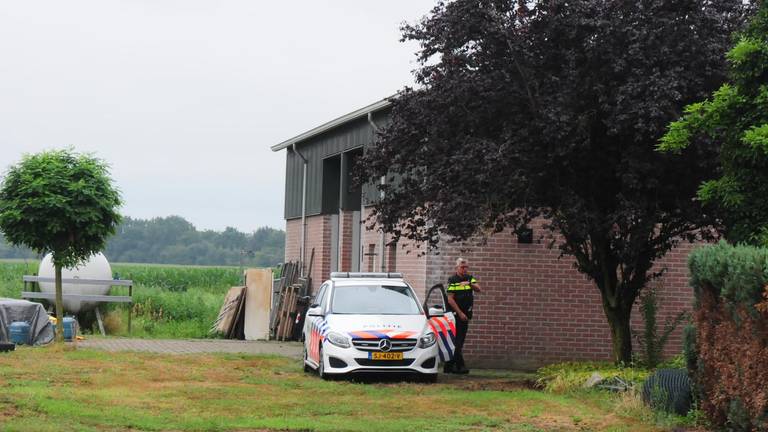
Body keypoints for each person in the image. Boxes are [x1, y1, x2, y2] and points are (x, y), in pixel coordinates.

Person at [444, 257, 481, 374]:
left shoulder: (470, 278)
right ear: (457, 268)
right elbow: (450, 299)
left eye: (466, 267)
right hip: (456, 315)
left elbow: (479, 289)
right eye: (462, 267)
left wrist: (470, 284)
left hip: (466, 314)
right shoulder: (452, 280)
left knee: (459, 341)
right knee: (457, 341)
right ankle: (460, 366)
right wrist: (460, 313)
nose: (465, 269)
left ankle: (448, 367)